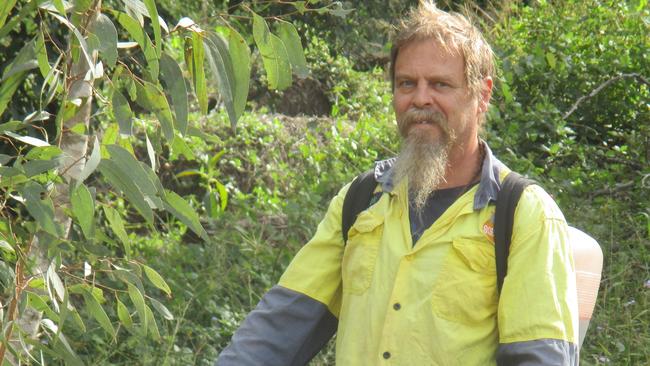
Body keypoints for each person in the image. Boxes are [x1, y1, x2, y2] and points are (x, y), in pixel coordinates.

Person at [216, 2, 579, 365]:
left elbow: (540, 357)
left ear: (481, 95)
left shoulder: (523, 214)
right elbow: (280, 325)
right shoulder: (361, 200)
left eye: (440, 84)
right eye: (407, 83)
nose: (421, 99)